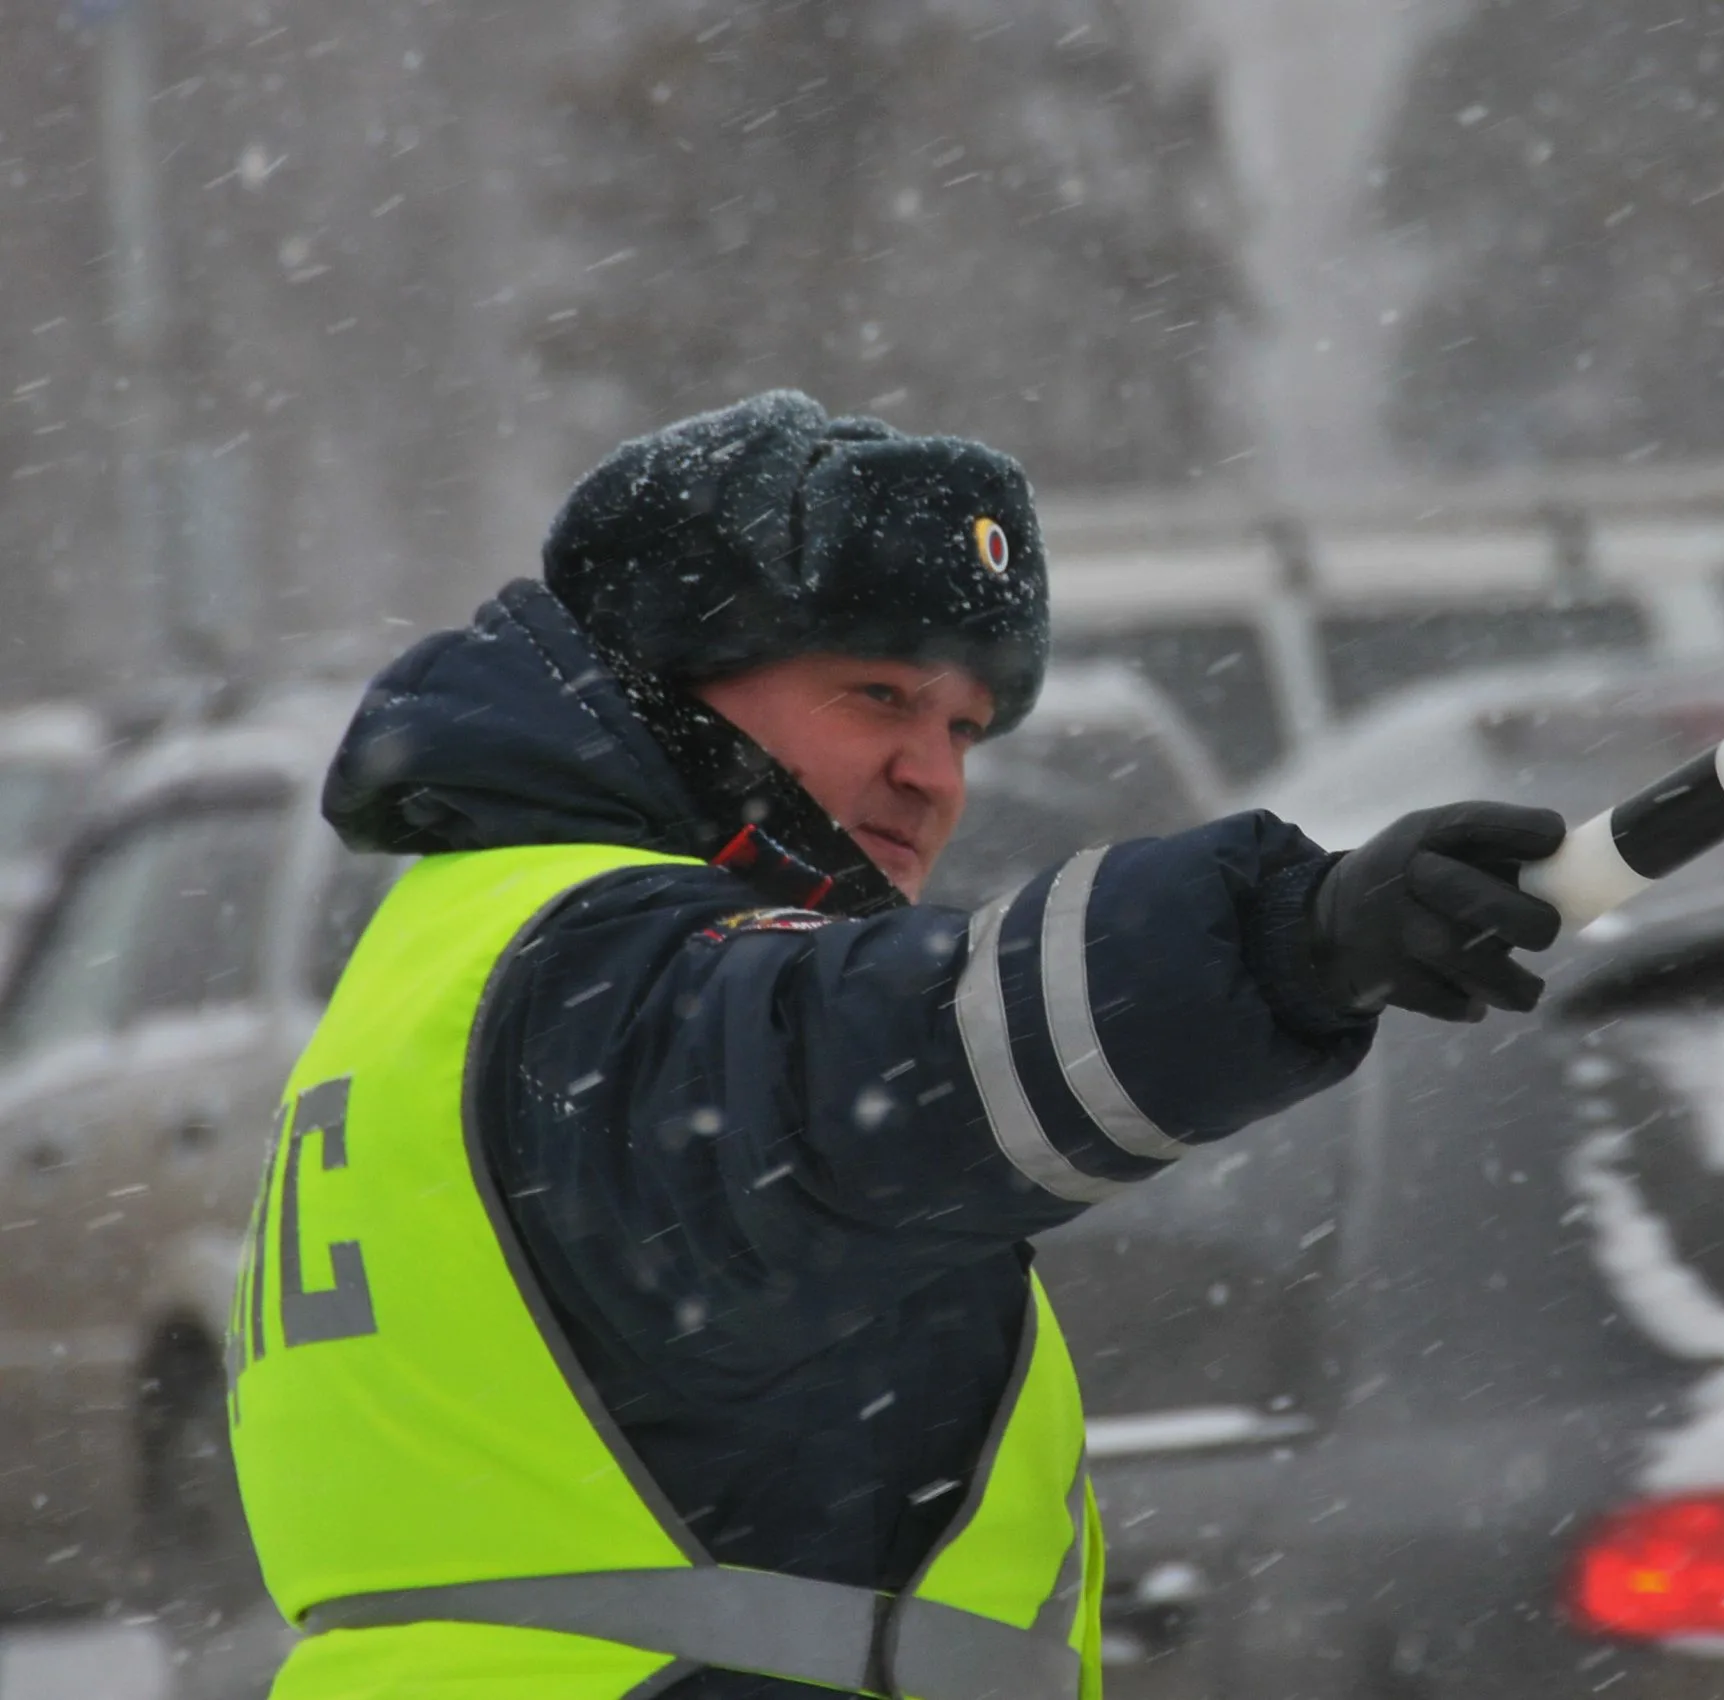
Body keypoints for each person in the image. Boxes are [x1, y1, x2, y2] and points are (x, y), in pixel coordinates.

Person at [225, 392, 1565, 1700]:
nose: (935, 772)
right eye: (877, 694)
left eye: (963, 728)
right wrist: (1289, 936)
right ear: (665, 692)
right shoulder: (608, 972)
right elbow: (891, 1060)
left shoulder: (463, 955)